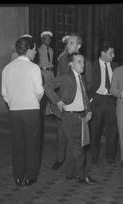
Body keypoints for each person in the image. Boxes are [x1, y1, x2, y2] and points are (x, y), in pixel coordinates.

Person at [44, 52, 96, 185]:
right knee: (78, 147)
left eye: (83, 62)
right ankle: (82, 175)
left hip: (81, 116)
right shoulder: (66, 77)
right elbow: (47, 86)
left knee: (73, 146)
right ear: (71, 64)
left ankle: (69, 173)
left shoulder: (81, 77)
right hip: (70, 116)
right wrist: (57, 101)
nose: (82, 64)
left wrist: (89, 110)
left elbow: (85, 96)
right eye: (78, 62)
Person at [2, 36, 44, 186]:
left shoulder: (7, 68)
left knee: (17, 144)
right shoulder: (34, 68)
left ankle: (18, 177)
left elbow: (4, 94)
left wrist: (14, 102)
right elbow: (39, 91)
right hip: (31, 111)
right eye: (34, 50)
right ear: (29, 49)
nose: (35, 53)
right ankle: (30, 177)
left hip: (14, 111)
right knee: (32, 145)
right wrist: (33, 101)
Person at [51, 33, 92, 170]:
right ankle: (59, 159)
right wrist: (57, 102)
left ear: (78, 45)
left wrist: (87, 107)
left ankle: (74, 167)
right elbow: (57, 81)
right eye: (67, 43)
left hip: (76, 108)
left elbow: (88, 85)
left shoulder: (84, 62)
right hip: (63, 105)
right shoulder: (62, 60)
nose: (68, 45)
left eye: (71, 43)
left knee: (76, 138)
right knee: (61, 133)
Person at [89, 41, 118, 167]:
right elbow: (87, 84)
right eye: (111, 53)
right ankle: (94, 156)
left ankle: (111, 157)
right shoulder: (91, 66)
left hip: (111, 101)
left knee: (112, 130)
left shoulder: (115, 66)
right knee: (95, 130)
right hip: (97, 100)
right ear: (103, 53)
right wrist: (90, 101)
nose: (114, 55)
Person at [38, 31, 54, 115]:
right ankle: (41, 110)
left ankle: (48, 111)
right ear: (43, 40)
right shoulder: (39, 50)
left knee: (50, 90)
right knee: (43, 91)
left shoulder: (51, 50)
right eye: (46, 39)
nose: (48, 41)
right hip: (43, 71)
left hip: (50, 72)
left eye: (49, 39)